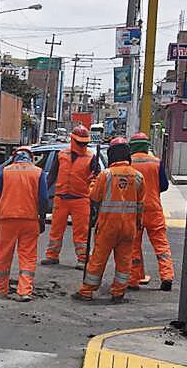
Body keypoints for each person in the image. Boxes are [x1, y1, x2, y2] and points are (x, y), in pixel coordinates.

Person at [74, 138, 145, 303]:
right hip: (129, 227)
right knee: (124, 261)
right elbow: (140, 205)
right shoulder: (138, 177)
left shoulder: (105, 175)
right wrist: (138, 223)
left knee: (98, 259)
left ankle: (87, 291)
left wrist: (92, 181)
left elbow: (94, 196)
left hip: (108, 226)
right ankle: (118, 293)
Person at [0, 146, 47, 302]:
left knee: (3, 255)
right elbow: (43, 199)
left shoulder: (6, 171)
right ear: (31, 157)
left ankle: (0, 289)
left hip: (7, 219)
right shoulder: (38, 172)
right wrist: (41, 217)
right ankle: (24, 291)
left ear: (15, 157)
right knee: (28, 256)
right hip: (30, 219)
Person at [42, 124, 101, 269]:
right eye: (80, 142)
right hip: (61, 198)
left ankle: (83, 259)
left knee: (81, 232)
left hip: (81, 199)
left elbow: (97, 178)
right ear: (73, 140)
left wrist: (95, 196)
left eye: (84, 143)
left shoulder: (91, 157)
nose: (82, 145)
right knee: (56, 229)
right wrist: (43, 194)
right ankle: (52, 255)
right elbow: (51, 176)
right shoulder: (61, 155)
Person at [127, 131, 174, 291]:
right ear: (147, 147)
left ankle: (133, 279)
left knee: (134, 245)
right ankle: (166, 276)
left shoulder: (128, 163)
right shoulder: (156, 162)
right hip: (154, 209)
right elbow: (164, 186)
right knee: (161, 245)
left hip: (135, 210)